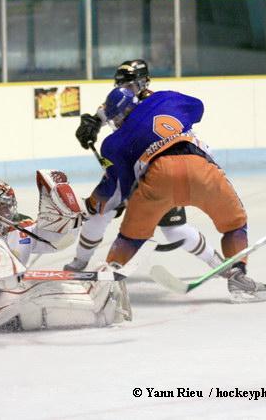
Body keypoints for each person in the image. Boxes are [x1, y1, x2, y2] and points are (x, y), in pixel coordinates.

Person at [85, 86, 266, 302]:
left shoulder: (114, 143)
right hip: (202, 169)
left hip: (158, 177)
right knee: (234, 224)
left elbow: (122, 189)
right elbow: (197, 108)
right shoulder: (164, 98)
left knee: (130, 238)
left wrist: (96, 203)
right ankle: (238, 279)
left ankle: (108, 285)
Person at [65, 60, 223, 273]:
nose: (125, 89)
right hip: (125, 168)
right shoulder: (124, 99)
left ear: (142, 83)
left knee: (174, 230)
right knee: (100, 214)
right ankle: (80, 262)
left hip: (158, 172)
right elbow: (108, 111)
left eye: (130, 85)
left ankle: (219, 264)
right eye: (121, 85)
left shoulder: (156, 103)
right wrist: (92, 123)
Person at [0, 171, 131, 330]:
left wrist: (69, 221)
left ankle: (97, 309)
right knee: (23, 290)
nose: (5, 212)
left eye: (8, 206)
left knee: (37, 295)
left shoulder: (18, 224)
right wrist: (9, 271)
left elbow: (55, 241)